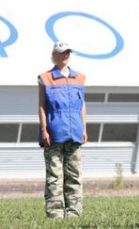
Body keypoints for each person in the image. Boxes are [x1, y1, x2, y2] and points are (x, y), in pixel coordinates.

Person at [38, 41, 87, 219]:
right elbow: (42, 106)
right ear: (54, 55)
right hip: (54, 133)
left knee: (74, 174)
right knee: (55, 176)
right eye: (61, 53)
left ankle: (74, 213)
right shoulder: (45, 77)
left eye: (67, 52)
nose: (65, 55)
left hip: (75, 132)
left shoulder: (80, 78)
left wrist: (84, 128)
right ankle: (55, 214)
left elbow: (82, 106)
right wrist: (44, 129)